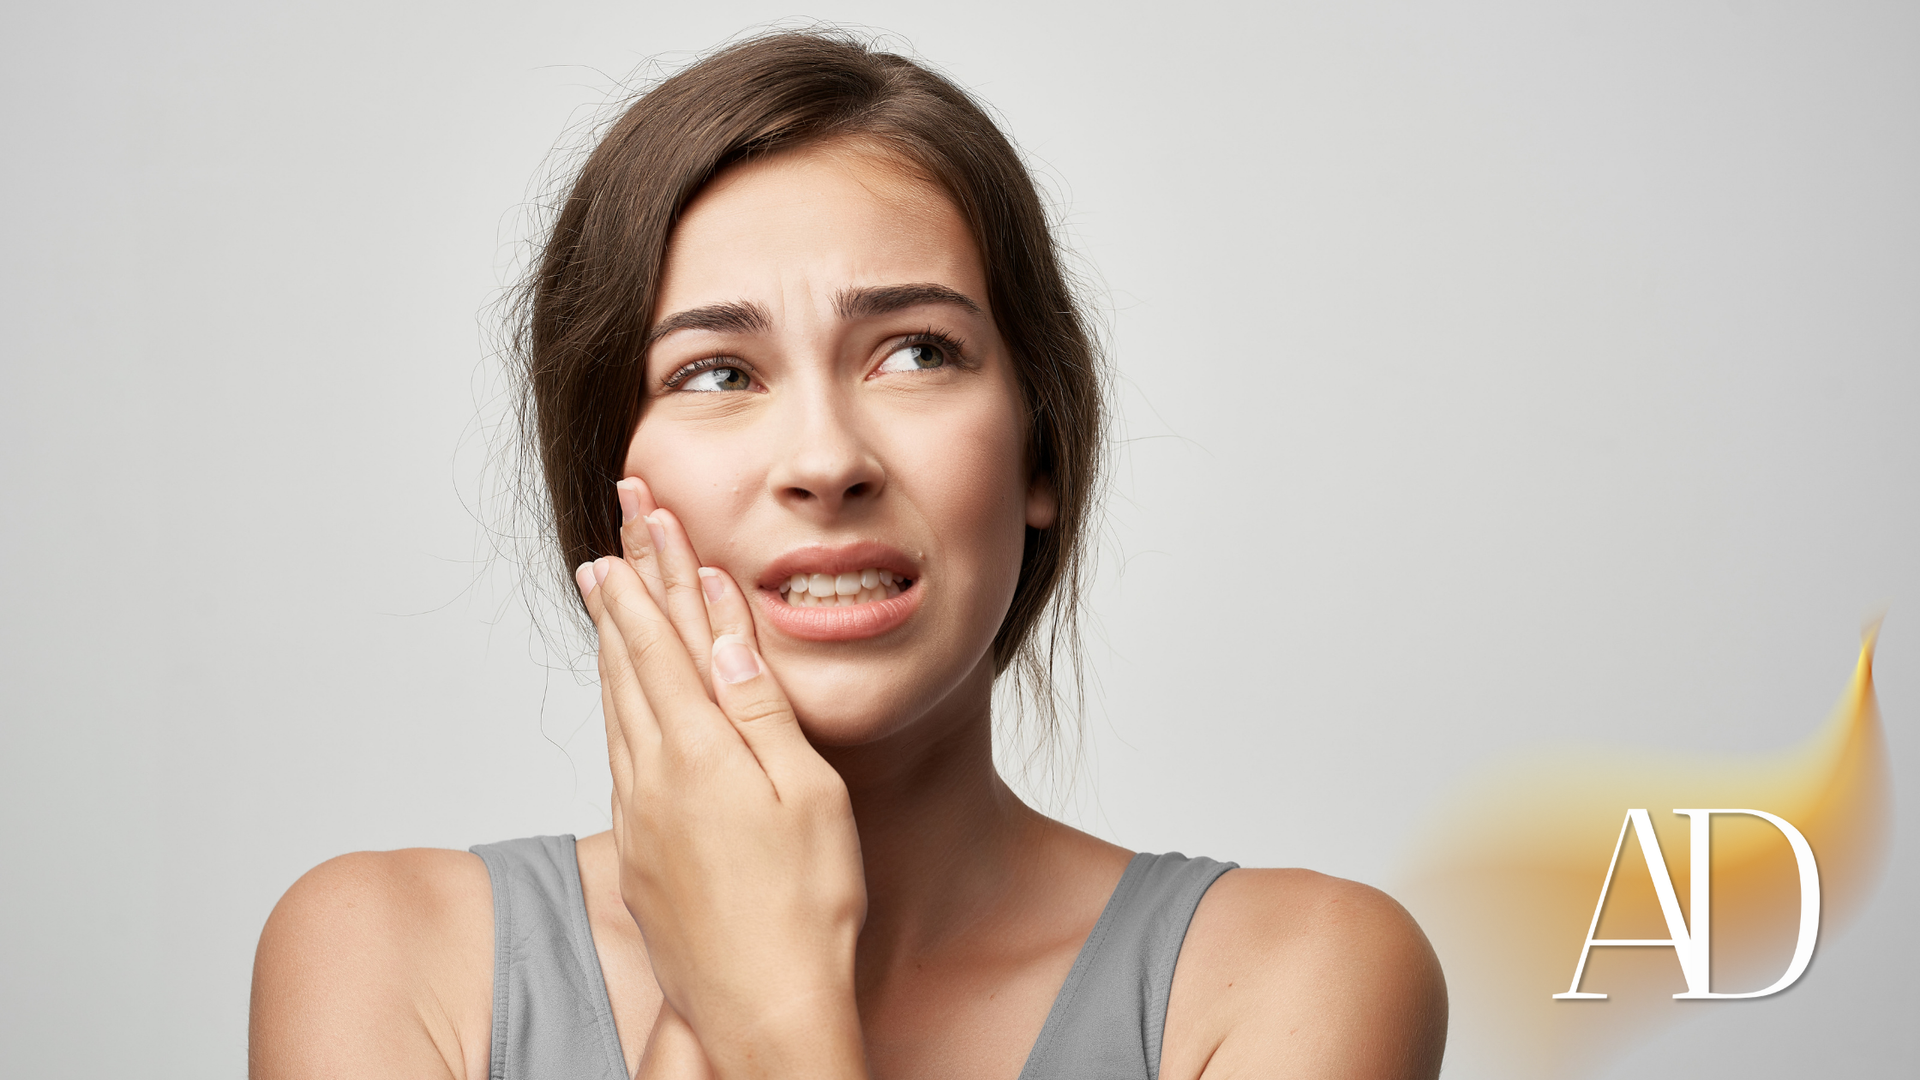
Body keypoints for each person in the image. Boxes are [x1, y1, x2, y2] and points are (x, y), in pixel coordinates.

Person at [249, 30, 1447, 1080]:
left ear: (1039, 449)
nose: (827, 459)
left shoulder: (1294, 977)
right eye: (716, 372)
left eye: (917, 352)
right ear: (606, 487)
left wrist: (767, 1010)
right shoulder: (385, 955)